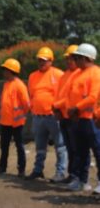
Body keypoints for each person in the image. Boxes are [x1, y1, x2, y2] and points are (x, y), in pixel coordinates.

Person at [25, 46, 66, 181]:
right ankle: (38, 170)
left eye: (44, 60)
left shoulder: (59, 74)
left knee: (60, 146)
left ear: (51, 61)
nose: (41, 62)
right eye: (39, 60)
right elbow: (32, 94)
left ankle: (60, 172)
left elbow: (64, 95)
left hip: (53, 116)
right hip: (38, 117)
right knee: (40, 147)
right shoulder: (32, 76)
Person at [66, 43, 100, 192]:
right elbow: (71, 95)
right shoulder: (78, 74)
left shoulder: (95, 73)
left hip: (91, 119)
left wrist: (76, 108)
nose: (75, 61)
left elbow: (93, 97)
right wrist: (70, 111)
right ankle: (81, 180)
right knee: (80, 151)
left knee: (98, 151)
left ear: (87, 58)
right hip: (78, 119)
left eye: (77, 57)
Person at [0, 59, 30, 177]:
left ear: (12, 71)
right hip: (5, 121)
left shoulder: (19, 85)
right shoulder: (6, 84)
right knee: (4, 146)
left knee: (19, 146)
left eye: (6, 70)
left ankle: (21, 169)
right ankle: (2, 167)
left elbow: (26, 104)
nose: (4, 72)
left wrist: (21, 116)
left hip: (16, 122)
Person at [53, 44, 81, 183]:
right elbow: (59, 94)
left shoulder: (79, 75)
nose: (69, 61)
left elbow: (70, 97)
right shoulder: (64, 75)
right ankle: (72, 174)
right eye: (67, 59)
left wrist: (56, 106)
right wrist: (57, 109)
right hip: (63, 116)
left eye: (72, 58)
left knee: (76, 148)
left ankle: (77, 176)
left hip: (74, 117)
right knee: (70, 148)